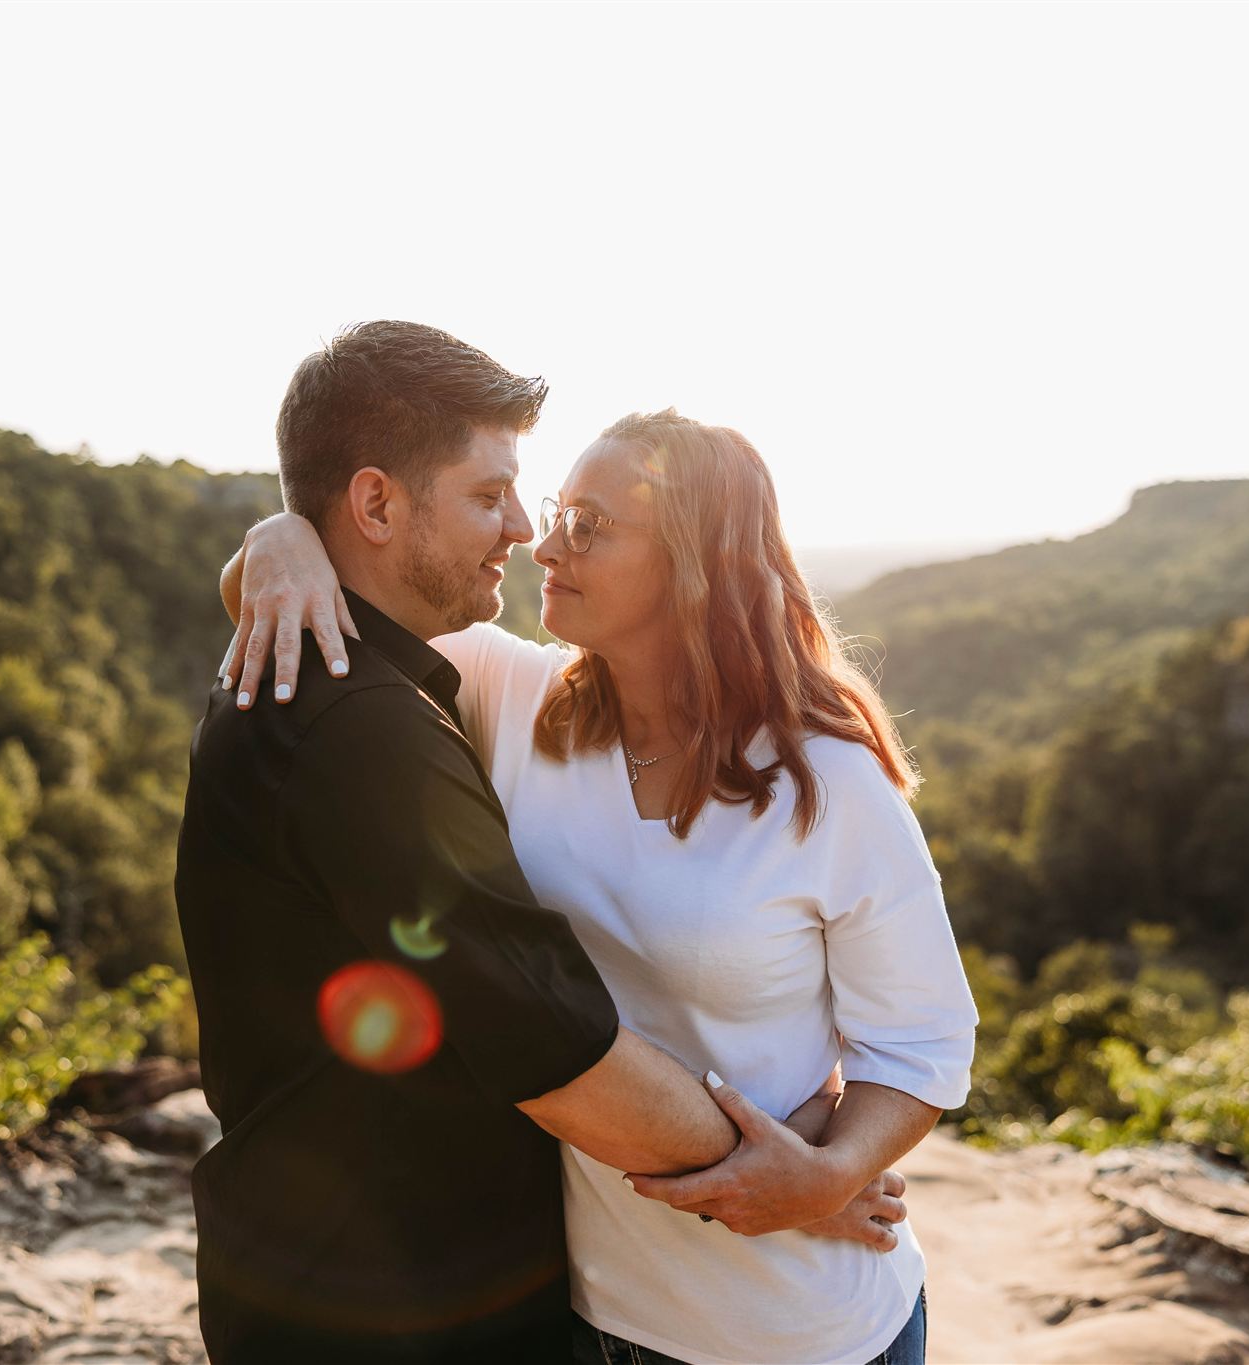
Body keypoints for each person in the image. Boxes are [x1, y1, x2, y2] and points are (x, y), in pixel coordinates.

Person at [176, 321, 908, 1365]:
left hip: (354, 1279)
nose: (523, 530)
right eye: (489, 496)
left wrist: (280, 537)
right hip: (388, 1310)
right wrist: (789, 1177)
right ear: (375, 504)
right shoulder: (362, 735)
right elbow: (558, 1051)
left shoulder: (337, 668)